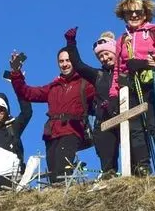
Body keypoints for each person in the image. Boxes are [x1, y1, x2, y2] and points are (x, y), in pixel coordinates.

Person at [10, 39, 95, 185]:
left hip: (72, 130)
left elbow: (103, 88)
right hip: (51, 133)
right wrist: (16, 73)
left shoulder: (85, 83)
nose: (65, 64)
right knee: (54, 174)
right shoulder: (53, 87)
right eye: (61, 61)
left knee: (63, 170)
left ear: (74, 61)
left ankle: (67, 193)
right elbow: (27, 93)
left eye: (68, 60)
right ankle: (58, 194)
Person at [111, 0, 155, 177]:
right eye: (129, 12)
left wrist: (146, 63)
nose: (134, 15)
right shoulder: (122, 40)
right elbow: (117, 69)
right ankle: (143, 166)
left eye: (138, 11)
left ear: (145, 13)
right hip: (130, 86)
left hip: (152, 83)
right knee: (136, 128)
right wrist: (114, 94)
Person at [65, 29, 121, 178]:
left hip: (126, 116)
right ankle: (109, 177)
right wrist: (71, 43)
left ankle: (138, 176)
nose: (104, 58)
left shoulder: (126, 72)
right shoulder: (98, 75)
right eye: (100, 56)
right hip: (104, 121)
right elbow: (79, 66)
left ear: (115, 51)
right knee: (107, 159)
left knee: (134, 152)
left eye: (107, 54)